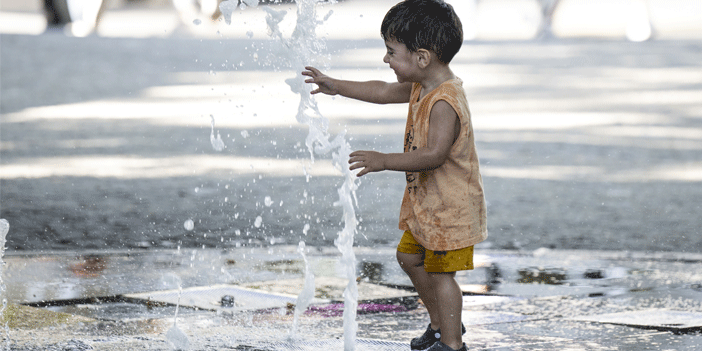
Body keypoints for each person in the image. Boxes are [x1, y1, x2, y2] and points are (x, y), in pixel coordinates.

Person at [302, 1, 487, 350]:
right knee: (409, 258)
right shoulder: (423, 84)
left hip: (450, 208)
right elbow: (383, 91)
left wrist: (384, 160)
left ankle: (452, 345)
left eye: (391, 51)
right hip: (428, 206)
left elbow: (434, 155)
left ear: (421, 57)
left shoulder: (445, 100)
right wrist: (335, 85)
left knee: (441, 274)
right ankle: (441, 324)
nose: (386, 59)